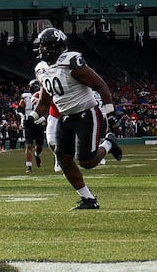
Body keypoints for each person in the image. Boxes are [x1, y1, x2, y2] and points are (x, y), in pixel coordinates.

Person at [31, 27, 122, 210]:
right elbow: (44, 102)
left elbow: (100, 85)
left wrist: (110, 112)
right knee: (63, 157)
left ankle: (109, 143)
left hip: (86, 112)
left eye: (44, 46)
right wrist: (31, 117)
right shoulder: (43, 70)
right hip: (66, 116)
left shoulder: (71, 62)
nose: (41, 50)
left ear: (55, 47)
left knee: (86, 161)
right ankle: (88, 199)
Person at [21, 80, 47, 173]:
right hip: (29, 122)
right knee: (28, 144)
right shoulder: (25, 96)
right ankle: (29, 166)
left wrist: (43, 118)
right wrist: (22, 117)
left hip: (39, 122)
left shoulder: (42, 95)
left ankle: (37, 154)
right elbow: (19, 109)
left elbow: (47, 109)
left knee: (39, 146)